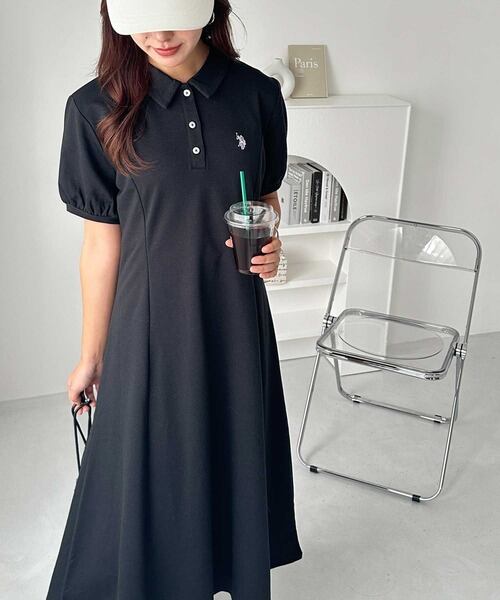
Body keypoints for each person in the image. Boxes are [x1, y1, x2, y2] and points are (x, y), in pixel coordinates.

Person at [46, 0, 303, 598]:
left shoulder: (257, 94)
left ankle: (220, 572)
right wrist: (92, 355)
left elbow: (264, 199)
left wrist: (269, 242)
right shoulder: (94, 108)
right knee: (152, 466)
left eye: (175, 14)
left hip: (235, 317)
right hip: (147, 327)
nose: (159, 35)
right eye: (142, 19)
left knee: (231, 453)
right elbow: (100, 246)